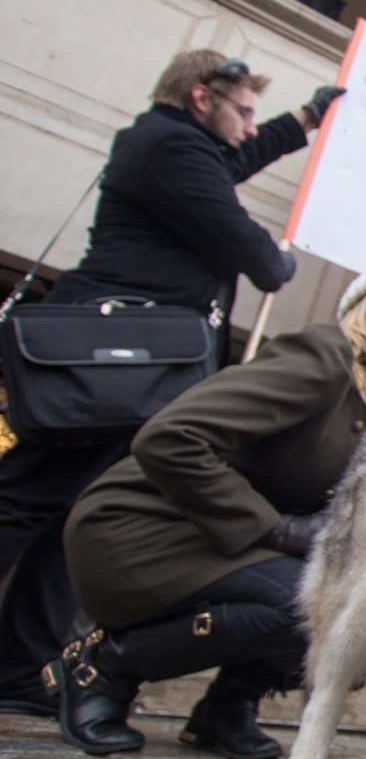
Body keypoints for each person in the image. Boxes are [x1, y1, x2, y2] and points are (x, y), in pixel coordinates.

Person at [0, 50, 342, 715]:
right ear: (198, 98)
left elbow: (235, 159)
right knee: (19, 505)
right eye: (242, 111)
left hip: (127, 370)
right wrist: (281, 255)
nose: (249, 128)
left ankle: (16, 669)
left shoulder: (179, 146)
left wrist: (304, 119)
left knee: (64, 518)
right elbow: (258, 259)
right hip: (105, 364)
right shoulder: (169, 149)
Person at [48, 261, 366, 759]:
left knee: (354, 624)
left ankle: (227, 706)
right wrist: (274, 529)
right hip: (145, 529)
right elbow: (170, 439)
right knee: (311, 614)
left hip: (223, 547)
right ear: (359, 307)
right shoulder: (325, 355)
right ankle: (102, 666)